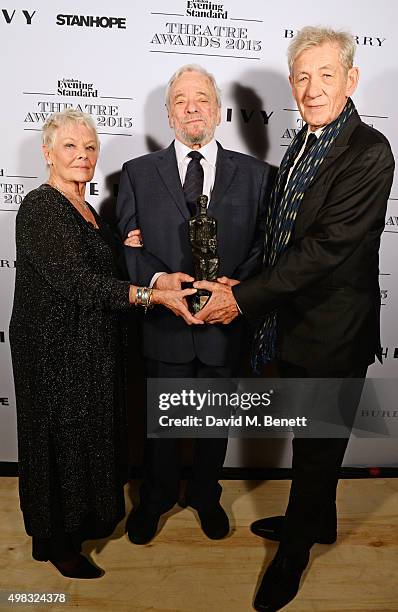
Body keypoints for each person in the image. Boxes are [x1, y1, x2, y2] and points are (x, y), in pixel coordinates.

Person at [193, 27, 395, 610]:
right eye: (302, 76)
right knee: (313, 442)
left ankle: (294, 556)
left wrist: (247, 298)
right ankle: (318, 520)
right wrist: (244, 281)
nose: (312, 88)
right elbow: (283, 235)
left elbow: (328, 248)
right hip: (295, 323)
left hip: (335, 331)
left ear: (351, 79)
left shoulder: (368, 151)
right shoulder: (304, 141)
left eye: (326, 75)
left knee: (316, 447)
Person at [9, 109, 198, 580]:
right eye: (70, 147)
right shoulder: (40, 206)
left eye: (90, 148)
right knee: (59, 442)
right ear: (47, 152)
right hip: (53, 350)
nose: (82, 156)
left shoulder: (90, 211)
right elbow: (77, 282)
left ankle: (75, 528)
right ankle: (55, 543)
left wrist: (132, 251)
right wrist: (152, 295)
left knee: (86, 440)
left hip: (90, 348)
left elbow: (106, 265)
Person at [116, 64, 272, 545]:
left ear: (219, 109)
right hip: (165, 323)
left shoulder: (260, 176)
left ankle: (205, 495)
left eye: (201, 98)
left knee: (215, 423)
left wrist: (235, 291)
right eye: (181, 100)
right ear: (168, 113)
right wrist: (161, 282)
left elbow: (267, 248)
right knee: (162, 423)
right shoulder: (137, 174)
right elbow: (127, 245)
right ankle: (156, 498)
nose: (191, 107)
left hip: (226, 322)